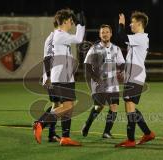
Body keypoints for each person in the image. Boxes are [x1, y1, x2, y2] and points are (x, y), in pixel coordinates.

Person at [33, 8, 85, 146]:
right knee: (67, 106)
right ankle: (41, 123)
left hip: (64, 75)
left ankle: (65, 137)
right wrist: (81, 24)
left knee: (67, 106)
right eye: (71, 21)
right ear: (66, 21)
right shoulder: (60, 35)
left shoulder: (59, 35)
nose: (72, 24)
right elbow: (79, 38)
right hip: (62, 76)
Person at [115, 11, 155, 147]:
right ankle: (147, 133)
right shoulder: (139, 37)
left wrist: (121, 23)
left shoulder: (141, 37)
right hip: (133, 76)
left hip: (135, 77)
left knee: (129, 106)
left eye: (132, 22)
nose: (131, 25)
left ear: (139, 23)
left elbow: (121, 36)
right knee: (129, 107)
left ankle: (131, 140)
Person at [82, 24, 125, 138]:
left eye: (107, 32)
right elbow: (86, 65)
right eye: (102, 32)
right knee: (99, 107)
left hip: (113, 84)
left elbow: (122, 64)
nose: (105, 34)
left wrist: (120, 71)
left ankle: (106, 132)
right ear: (100, 35)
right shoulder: (94, 49)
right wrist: (96, 78)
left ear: (111, 34)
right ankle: (87, 124)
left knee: (114, 106)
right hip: (99, 84)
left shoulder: (116, 49)